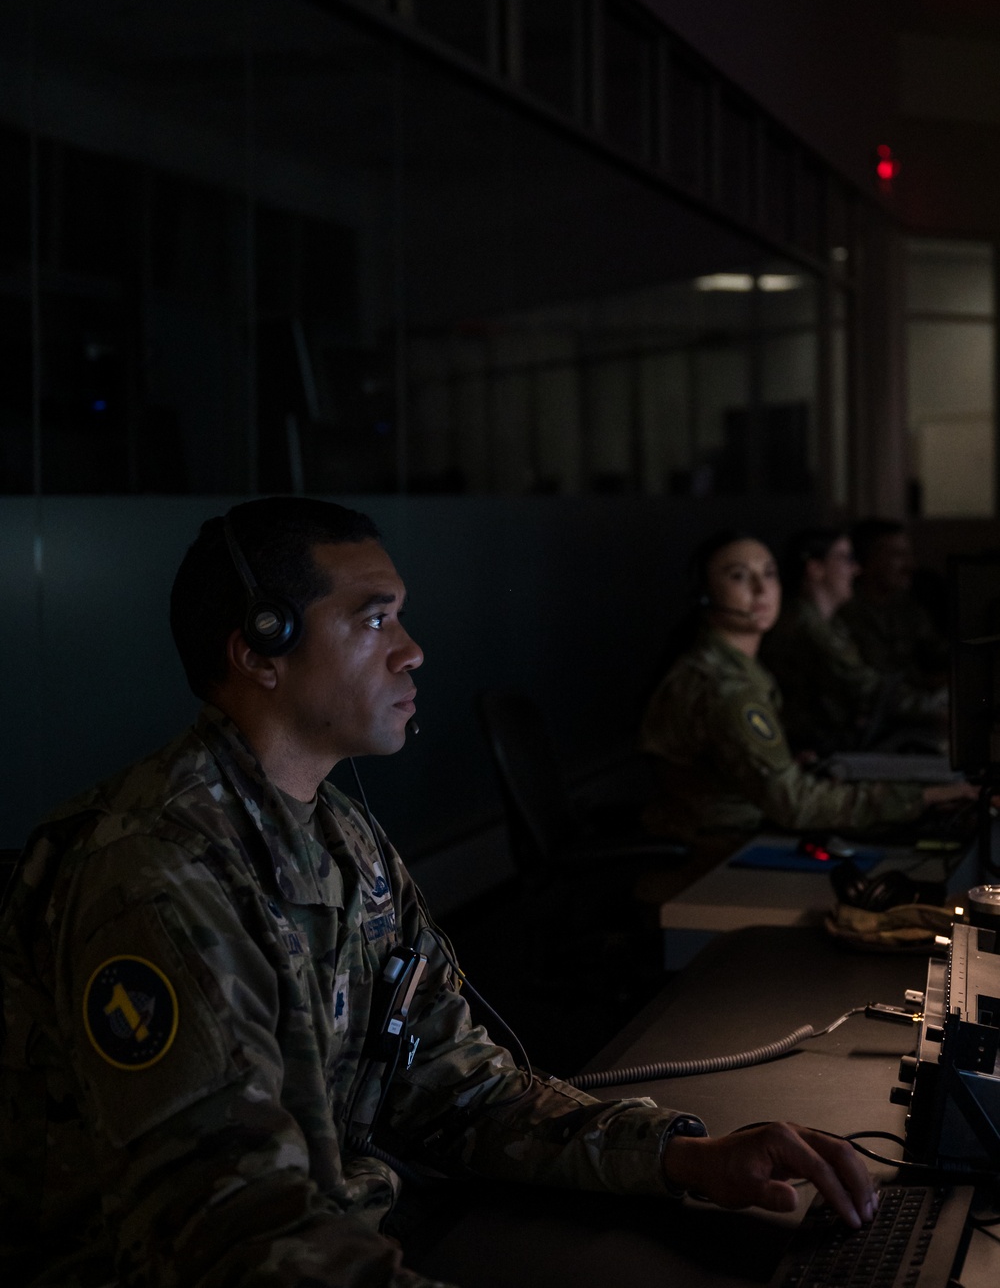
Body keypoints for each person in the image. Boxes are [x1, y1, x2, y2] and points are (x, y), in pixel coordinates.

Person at [0, 498, 879, 1288]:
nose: (411, 649)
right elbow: (225, 1232)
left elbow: (456, 1088)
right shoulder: (156, 870)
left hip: (360, 1230)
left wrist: (684, 1154)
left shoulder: (342, 835)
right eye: (374, 618)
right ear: (261, 648)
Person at [641, 531, 974, 839]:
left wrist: (785, 767)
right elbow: (794, 805)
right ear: (705, 594)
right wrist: (922, 798)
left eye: (769, 574)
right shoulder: (727, 687)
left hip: (736, 824)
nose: (761, 589)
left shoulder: (728, 664)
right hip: (718, 844)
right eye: (739, 576)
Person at [760, 528, 947, 757]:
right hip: (817, 747)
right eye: (845, 558)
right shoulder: (806, 624)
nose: (855, 569)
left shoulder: (828, 621)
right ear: (816, 569)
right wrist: (938, 708)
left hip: (833, 742)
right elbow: (867, 688)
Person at [839, 520, 949, 683]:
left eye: (909, 555)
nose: (910, 565)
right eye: (898, 555)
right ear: (867, 559)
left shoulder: (905, 605)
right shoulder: (845, 613)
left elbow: (938, 650)